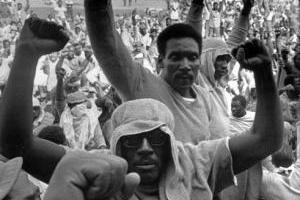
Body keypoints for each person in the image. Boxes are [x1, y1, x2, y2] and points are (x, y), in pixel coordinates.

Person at [0, 16, 283, 199]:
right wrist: (26, 54)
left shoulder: (195, 162)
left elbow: (265, 140)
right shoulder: (99, 171)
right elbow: (16, 145)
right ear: (116, 145)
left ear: (172, 142)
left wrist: (264, 76)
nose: (146, 147)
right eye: (133, 140)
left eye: (157, 138)